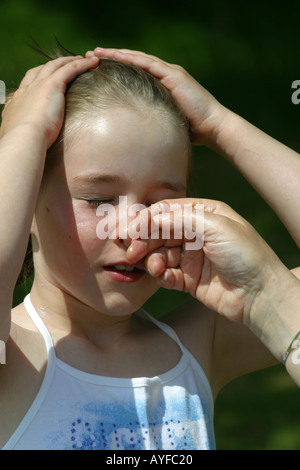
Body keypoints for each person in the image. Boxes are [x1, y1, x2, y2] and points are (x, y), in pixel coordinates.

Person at [0, 45, 298, 451]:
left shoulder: (198, 345)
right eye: (101, 201)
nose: (134, 229)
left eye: (159, 204)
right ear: (26, 203)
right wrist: (26, 134)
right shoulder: (14, 358)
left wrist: (221, 125)